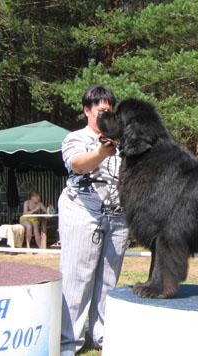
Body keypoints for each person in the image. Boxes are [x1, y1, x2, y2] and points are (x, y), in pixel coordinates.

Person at [58, 85, 128, 355]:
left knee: (109, 282)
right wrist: (102, 152)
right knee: (78, 280)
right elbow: (77, 164)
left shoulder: (122, 142)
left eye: (109, 111)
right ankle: (69, 342)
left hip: (118, 217)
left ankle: (102, 337)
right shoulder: (76, 137)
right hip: (82, 213)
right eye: (100, 110)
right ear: (87, 111)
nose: (105, 115)